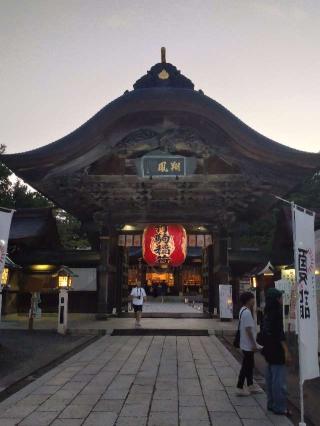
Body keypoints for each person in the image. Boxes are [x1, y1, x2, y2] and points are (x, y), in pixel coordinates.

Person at [261, 288, 291, 416]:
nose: (281, 299)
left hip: (268, 349)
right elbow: (279, 334)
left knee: (271, 378)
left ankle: (271, 404)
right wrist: (286, 351)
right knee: (279, 381)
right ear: (276, 299)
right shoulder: (277, 313)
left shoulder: (266, 313)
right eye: (280, 297)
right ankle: (279, 407)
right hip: (277, 350)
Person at [236, 291, 263, 396]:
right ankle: (239, 386)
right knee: (246, 365)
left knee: (249, 365)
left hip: (245, 343)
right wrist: (254, 344)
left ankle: (251, 385)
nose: (254, 300)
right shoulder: (247, 312)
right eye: (253, 298)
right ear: (249, 300)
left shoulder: (243, 310)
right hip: (248, 344)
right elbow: (248, 330)